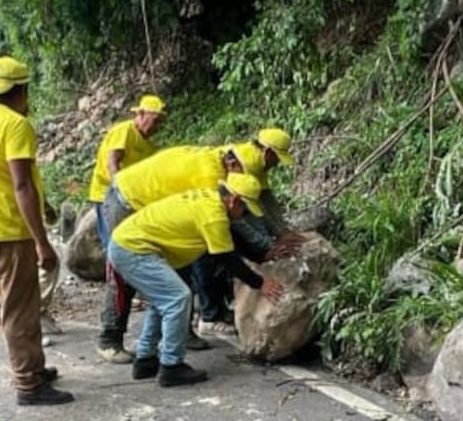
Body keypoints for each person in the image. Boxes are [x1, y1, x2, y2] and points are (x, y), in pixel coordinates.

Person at [0, 56, 73, 406]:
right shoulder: (15, 125)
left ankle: (34, 367)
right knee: (21, 307)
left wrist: (45, 206)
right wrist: (42, 243)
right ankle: (28, 383)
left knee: (19, 300)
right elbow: (21, 185)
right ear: (22, 89)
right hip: (11, 229)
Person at [107, 172, 283, 387]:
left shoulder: (211, 200)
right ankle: (172, 367)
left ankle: (146, 360)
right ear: (234, 200)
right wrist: (260, 283)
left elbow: (231, 240)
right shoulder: (214, 215)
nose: (243, 215)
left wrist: (264, 255)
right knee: (178, 298)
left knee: (162, 301)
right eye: (244, 209)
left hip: (131, 243)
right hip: (133, 249)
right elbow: (226, 257)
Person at [96, 143, 263, 362]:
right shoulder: (211, 181)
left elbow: (227, 231)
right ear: (232, 164)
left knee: (177, 276)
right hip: (128, 200)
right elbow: (225, 241)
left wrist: (263, 252)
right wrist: (260, 270)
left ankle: (165, 343)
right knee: (127, 275)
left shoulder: (219, 158)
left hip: (154, 211)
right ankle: (111, 338)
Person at [195, 127, 306, 336]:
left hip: (215, 211)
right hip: (202, 209)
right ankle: (209, 315)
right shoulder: (236, 167)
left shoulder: (255, 163)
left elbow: (264, 200)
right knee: (209, 254)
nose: (278, 164)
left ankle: (213, 308)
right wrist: (266, 248)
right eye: (277, 158)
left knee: (221, 253)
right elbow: (238, 221)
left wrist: (281, 231)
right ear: (268, 152)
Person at [86, 94, 167, 361]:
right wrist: (120, 189)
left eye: (160, 123)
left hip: (133, 205)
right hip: (110, 199)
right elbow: (113, 162)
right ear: (140, 114)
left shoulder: (149, 146)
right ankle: (109, 339)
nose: (156, 127)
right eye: (154, 120)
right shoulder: (124, 131)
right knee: (120, 264)